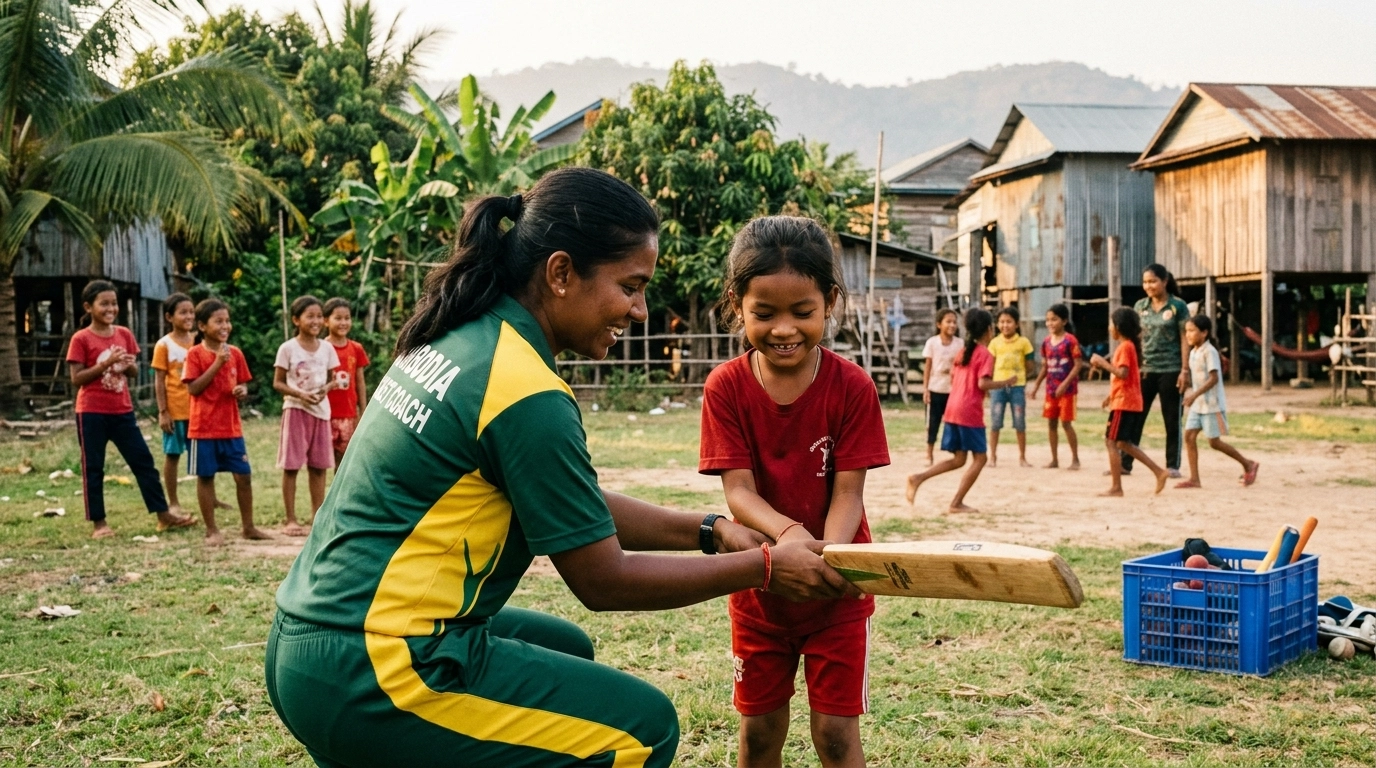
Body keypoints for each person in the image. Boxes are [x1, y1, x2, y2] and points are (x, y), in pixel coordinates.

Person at [266, 168, 856, 768]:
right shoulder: (525, 391)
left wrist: (708, 530)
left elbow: (571, 500)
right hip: (375, 671)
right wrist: (759, 568)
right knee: (642, 729)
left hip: (306, 644)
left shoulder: (460, 337)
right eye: (631, 286)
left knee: (565, 646)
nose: (641, 310)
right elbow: (603, 581)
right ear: (561, 273)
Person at [700, 216, 889, 768]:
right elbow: (738, 489)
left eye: (802, 313)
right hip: (759, 588)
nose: (785, 329)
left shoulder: (852, 386)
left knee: (835, 735)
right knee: (758, 736)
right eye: (765, 313)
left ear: (829, 302)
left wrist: (827, 560)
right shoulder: (726, 387)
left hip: (838, 593)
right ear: (737, 304)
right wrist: (786, 538)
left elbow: (849, 493)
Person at [67, 280, 193, 539]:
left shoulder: (123, 334)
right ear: (89, 307)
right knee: (94, 467)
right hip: (91, 412)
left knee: (144, 462)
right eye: (104, 304)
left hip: (122, 410)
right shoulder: (81, 338)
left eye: (114, 303)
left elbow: (134, 371)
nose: (110, 308)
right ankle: (99, 523)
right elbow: (77, 378)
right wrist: (107, 364)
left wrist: (126, 365)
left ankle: (162, 514)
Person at [905, 308, 1013, 514]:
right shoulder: (985, 354)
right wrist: (1006, 382)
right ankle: (956, 503)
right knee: (980, 458)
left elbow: (955, 377)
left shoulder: (963, 351)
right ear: (989, 330)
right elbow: (982, 383)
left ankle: (918, 478)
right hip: (968, 410)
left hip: (953, 407)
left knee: (959, 459)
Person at [184, 299, 265, 545]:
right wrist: (218, 362)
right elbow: (194, 388)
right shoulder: (195, 354)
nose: (225, 326)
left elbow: (242, 382)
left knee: (243, 476)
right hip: (203, 428)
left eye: (227, 321)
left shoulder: (236, 353)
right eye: (218, 321)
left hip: (231, 428)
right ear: (202, 326)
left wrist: (241, 389)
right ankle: (212, 530)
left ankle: (248, 527)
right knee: (206, 477)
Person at [152, 293, 229, 521]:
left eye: (191, 312)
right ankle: (173, 501)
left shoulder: (201, 341)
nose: (188, 316)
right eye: (182, 312)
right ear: (169, 316)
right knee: (173, 454)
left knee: (205, 456)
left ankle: (211, 498)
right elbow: (159, 379)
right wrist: (163, 411)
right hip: (176, 409)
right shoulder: (164, 345)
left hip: (202, 410)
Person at [272, 295, 340, 537]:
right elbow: (278, 383)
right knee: (291, 466)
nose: (316, 320)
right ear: (296, 320)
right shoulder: (287, 348)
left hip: (321, 413)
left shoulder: (328, 348)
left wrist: (325, 391)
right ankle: (290, 519)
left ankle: (316, 517)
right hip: (295, 410)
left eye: (319, 316)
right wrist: (300, 395)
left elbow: (332, 380)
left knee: (319, 467)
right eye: (309, 316)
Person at [1090, 307, 1169, 496]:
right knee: (1123, 443)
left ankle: (1117, 487)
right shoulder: (1129, 346)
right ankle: (1159, 471)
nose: (1109, 328)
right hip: (1126, 400)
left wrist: (1102, 363)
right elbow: (1128, 378)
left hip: (1124, 403)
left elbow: (1122, 374)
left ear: (1118, 327)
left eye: (1111, 324)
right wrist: (1110, 396)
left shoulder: (1125, 347)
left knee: (1111, 442)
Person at [1122, 264, 1189, 477]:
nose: (1148, 286)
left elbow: (1184, 339)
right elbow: (1135, 338)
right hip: (1145, 370)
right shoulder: (1140, 306)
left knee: (1171, 419)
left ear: (1164, 281)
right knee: (1135, 417)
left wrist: (1185, 370)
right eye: (1145, 282)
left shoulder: (1178, 306)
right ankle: (1125, 463)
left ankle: (1172, 466)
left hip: (1171, 369)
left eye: (1152, 281)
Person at [1177, 315, 1260, 489]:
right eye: (1186, 331)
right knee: (1189, 436)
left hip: (1211, 404)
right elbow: (1198, 378)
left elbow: (1214, 378)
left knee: (1214, 442)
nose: (1188, 335)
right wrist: (1187, 385)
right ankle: (1194, 479)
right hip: (1198, 404)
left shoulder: (1210, 352)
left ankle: (1248, 464)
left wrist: (1194, 395)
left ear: (1204, 332)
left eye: (1192, 331)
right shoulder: (1193, 353)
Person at [1029, 304, 1082, 470]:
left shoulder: (1070, 341)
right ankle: (1054, 459)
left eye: (1054, 319)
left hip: (1067, 391)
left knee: (1066, 423)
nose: (1050, 323)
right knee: (1051, 424)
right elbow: (1045, 367)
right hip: (1051, 390)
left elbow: (1078, 365)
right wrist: (1036, 386)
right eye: (1047, 320)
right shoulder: (1046, 342)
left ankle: (1075, 459)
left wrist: (1065, 384)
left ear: (1064, 321)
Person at [322, 297, 370, 464]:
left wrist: (362, 410)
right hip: (324, 413)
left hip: (348, 414)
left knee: (343, 461)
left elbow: (360, 383)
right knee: (321, 461)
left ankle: (337, 489)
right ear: (326, 321)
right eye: (338, 318)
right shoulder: (320, 348)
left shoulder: (356, 348)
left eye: (347, 318)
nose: (343, 322)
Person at [987, 307, 1034, 468]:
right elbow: (990, 365)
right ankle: (992, 457)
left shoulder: (1024, 343)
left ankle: (1022, 457)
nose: (1005, 325)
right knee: (995, 423)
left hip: (1017, 387)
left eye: (1009, 322)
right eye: (1001, 322)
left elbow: (1030, 365)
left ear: (1017, 324)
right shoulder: (994, 343)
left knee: (1020, 423)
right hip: (998, 387)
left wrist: (1020, 378)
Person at [920, 308, 961, 467]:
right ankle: (929, 453)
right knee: (932, 423)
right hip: (935, 388)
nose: (952, 325)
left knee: (953, 422)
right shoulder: (932, 343)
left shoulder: (960, 344)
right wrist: (925, 389)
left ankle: (955, 452)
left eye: (954, 322)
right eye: (948, 322)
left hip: (953, 390)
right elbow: (928, 367)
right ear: (939, 324)